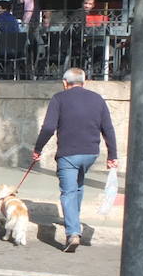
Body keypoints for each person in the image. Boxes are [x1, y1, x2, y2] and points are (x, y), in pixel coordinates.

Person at [31, 67, 119, 253]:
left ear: (65, 83)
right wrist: (112, 155)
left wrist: (38, 149)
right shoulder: (97, 99)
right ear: (84, 82)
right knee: (78, 187)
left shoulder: (59, 99)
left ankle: (72, 233)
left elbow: (48, 128)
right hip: (90, 154)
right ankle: (74, 222)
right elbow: (108, 129)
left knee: (69, 192)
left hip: (68, 154)